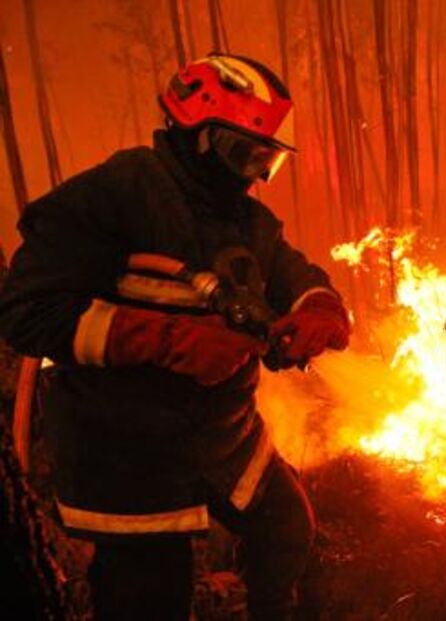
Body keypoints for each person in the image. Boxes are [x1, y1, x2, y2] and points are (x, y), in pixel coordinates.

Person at [0, 54, 349, 620]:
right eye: (246, 152)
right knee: (151, 595)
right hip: (125, 451)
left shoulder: (247, 223)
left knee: (286, 529)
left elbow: (295, 275)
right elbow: (27, 312)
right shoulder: (115, 194)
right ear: (198, 135)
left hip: (223, 437)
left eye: (269, 160)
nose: (256, 174)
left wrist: (320, 310)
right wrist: (170, 341)